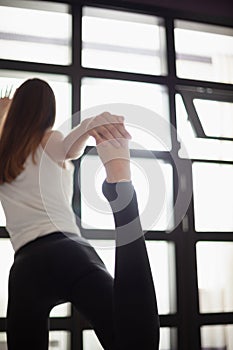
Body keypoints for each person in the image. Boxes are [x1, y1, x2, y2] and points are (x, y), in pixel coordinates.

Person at [0, 78, 159, 350]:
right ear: (47, 110)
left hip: (26, 266)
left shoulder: (4, 154)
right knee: (127, 333)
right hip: (68, 252)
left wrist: (4, 112)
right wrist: (89, 126)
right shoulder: (47, 139)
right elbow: (70, 148)